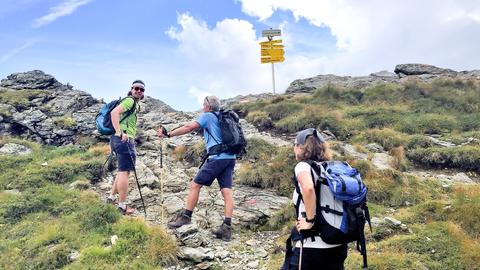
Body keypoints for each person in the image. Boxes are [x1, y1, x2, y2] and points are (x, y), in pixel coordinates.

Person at [157, 95, 236, 241]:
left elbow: (189, 127)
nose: (202, 107)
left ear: (208, 106)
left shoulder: (208, 116)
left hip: (217, 158)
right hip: (230, 158)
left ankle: (186, 217)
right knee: (227, 191)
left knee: (195, 185)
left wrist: (169, 134)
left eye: (203, 104)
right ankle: (227, 228)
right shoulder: (224, 117)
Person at [285, 128, 348, 270]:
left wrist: (309, 220)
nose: (294, 148)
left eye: (295, 144)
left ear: (301, 147)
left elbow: (308, 188)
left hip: (312, 246)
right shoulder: (330, 169)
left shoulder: (303, 166)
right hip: (337, 243)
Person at [106, 80, 145, 215]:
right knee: (125, 172)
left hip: (118, 139)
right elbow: (114, 113)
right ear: (131, 89)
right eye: (136, 88)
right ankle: (122, 206)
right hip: (124, 138)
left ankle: (111, 198)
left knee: (121, 170)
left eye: (141, 89)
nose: (139, 91)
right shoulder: (130, 101)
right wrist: (119, 132)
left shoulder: (133, 103)